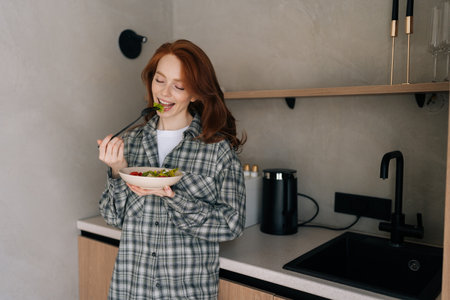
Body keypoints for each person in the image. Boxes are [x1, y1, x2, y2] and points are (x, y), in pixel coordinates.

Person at [97, 39, 246, 300]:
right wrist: (117, 170)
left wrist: (175, 199)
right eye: (159, 80)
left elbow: (231, 225)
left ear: (196, 93)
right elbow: (112, 216)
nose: (164, 93)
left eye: (178, 86)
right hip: (130, 290)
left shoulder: (217, 150)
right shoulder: (130, 143)